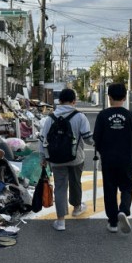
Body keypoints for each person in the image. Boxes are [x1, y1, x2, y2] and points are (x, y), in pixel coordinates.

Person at [39, 88, 93, 231]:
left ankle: (61, 221)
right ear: (74, 101)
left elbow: (43, 139)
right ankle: (76, 208)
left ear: (59, 101)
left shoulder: (50, 118)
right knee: (76, 182)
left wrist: (43, 157)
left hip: (56, 159)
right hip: (76, 158)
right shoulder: (80, 117)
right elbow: (88, 139)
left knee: (60, 187)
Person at [93, 83, 132, 234]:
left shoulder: (103, 115)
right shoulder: (130, 116)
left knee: (110, 190)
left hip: (108, 160)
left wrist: (103, 152)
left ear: (109, 98)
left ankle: (113, 223)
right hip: (126, 159)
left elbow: (96, 139)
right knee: (127, 187)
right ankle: (124, 210)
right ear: (125, 98)